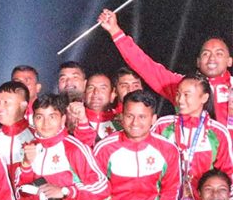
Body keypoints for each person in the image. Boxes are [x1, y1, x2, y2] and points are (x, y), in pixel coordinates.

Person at [98, 8, 233, 126]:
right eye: (206, 53)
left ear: (229, 61)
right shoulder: (181, 85)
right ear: (198, 62)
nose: (212, 58)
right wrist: (115, 31)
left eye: (219, 53)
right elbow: (145, 66)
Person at [152, 75, 233, 200]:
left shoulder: (218, 133)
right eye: (178, 94)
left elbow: (228, 174)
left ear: (204, 98)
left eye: (186, 95)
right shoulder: (162, 126)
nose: (180, 100)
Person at [71, 73, 118, 147]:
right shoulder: (73, 119)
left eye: (103, 88)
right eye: (91, 88)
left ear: (112, 95)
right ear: (84, 95)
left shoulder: (120, 122)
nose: (96, 92)